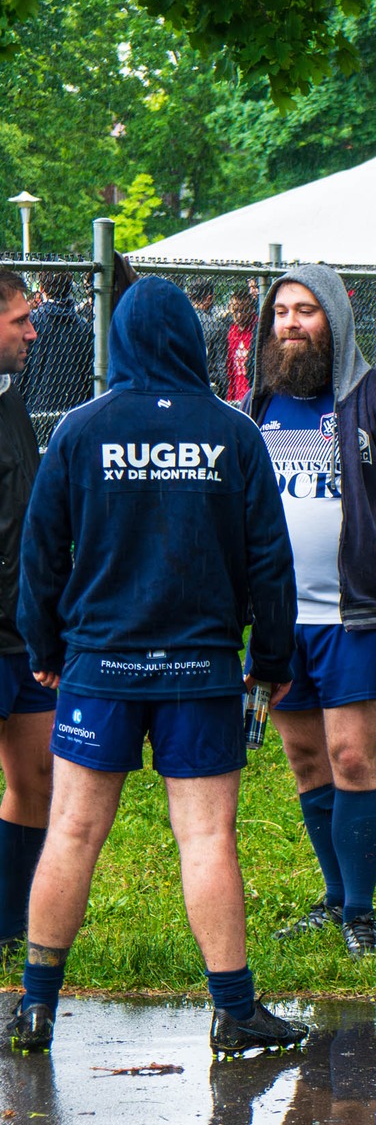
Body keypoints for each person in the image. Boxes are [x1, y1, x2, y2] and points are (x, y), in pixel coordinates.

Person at [3, 277, 305, 1056]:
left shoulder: (79, 430)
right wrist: (269, 662)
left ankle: (36, 1007)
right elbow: (272, 564)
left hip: (99, 667)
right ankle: (235, 1012)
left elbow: (40, 557)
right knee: (206, 838)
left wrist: (43, 650)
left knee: (70, 830)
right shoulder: (232, 433)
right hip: (201, 668)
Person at [245, 266, 376, 958]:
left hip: (355, 619)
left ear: (337, 320)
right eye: (282, 312)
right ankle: (332, 896)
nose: (291, 323)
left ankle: (361, 911)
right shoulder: (255, 408)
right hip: (278, 623)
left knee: (353, 755)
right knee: (303, 757)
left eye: (307, 311)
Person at [0, 273, 52, 956]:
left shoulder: (13, 402)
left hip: (23, 635)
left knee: (37, 778)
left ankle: (11, 924)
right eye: (19, 320)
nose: (32, 331)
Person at [15, 272, 90, 438]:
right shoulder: (82, 326)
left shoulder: (31, 324)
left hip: (36, 409)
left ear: (42, 289)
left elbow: (19, 374)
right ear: (69, 289)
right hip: (74, 412)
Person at [190, 285, 231, 393]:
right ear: (209, 298)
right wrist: (224, 389)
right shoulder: (217, 326)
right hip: (210, 382)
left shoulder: (181, 322)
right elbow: (221, 363)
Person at [224, 290, 256, 403]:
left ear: (251, 309)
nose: (239, 316)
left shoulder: (257, 330)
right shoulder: (232, 332)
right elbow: (230, 369)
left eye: (243, 311)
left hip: (252, 394)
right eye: (235, 311)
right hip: (237, 395)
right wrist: (230, 398)